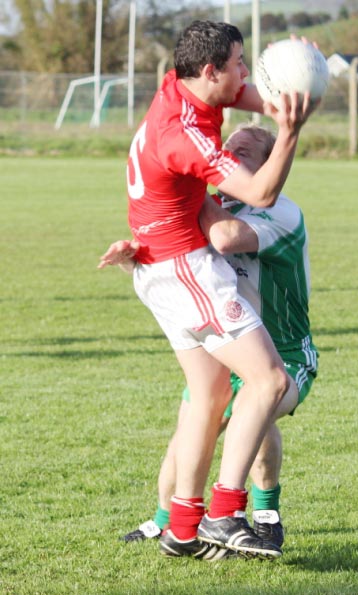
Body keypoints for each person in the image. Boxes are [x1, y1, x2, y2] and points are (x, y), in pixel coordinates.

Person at [110, 18, 318, 559]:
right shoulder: (190, 139)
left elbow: (246, 97)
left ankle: (181, 528)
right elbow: (260, 193)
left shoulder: (176, 89)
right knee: (267, 380)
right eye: (239, 64)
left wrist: (285, 92)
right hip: (186, 269)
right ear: (210, 70)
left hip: (161, 266)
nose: (247, 75)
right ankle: (225, 515)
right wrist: (291, 132)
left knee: (208, 398)